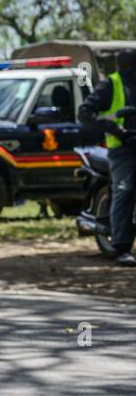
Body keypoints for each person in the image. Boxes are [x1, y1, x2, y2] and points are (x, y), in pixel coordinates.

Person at [79, 49, 136, 267]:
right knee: (125, 190)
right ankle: (122, 247)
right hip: (121, 149)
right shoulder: (111, 84)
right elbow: (85, 113)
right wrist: (116, 130)